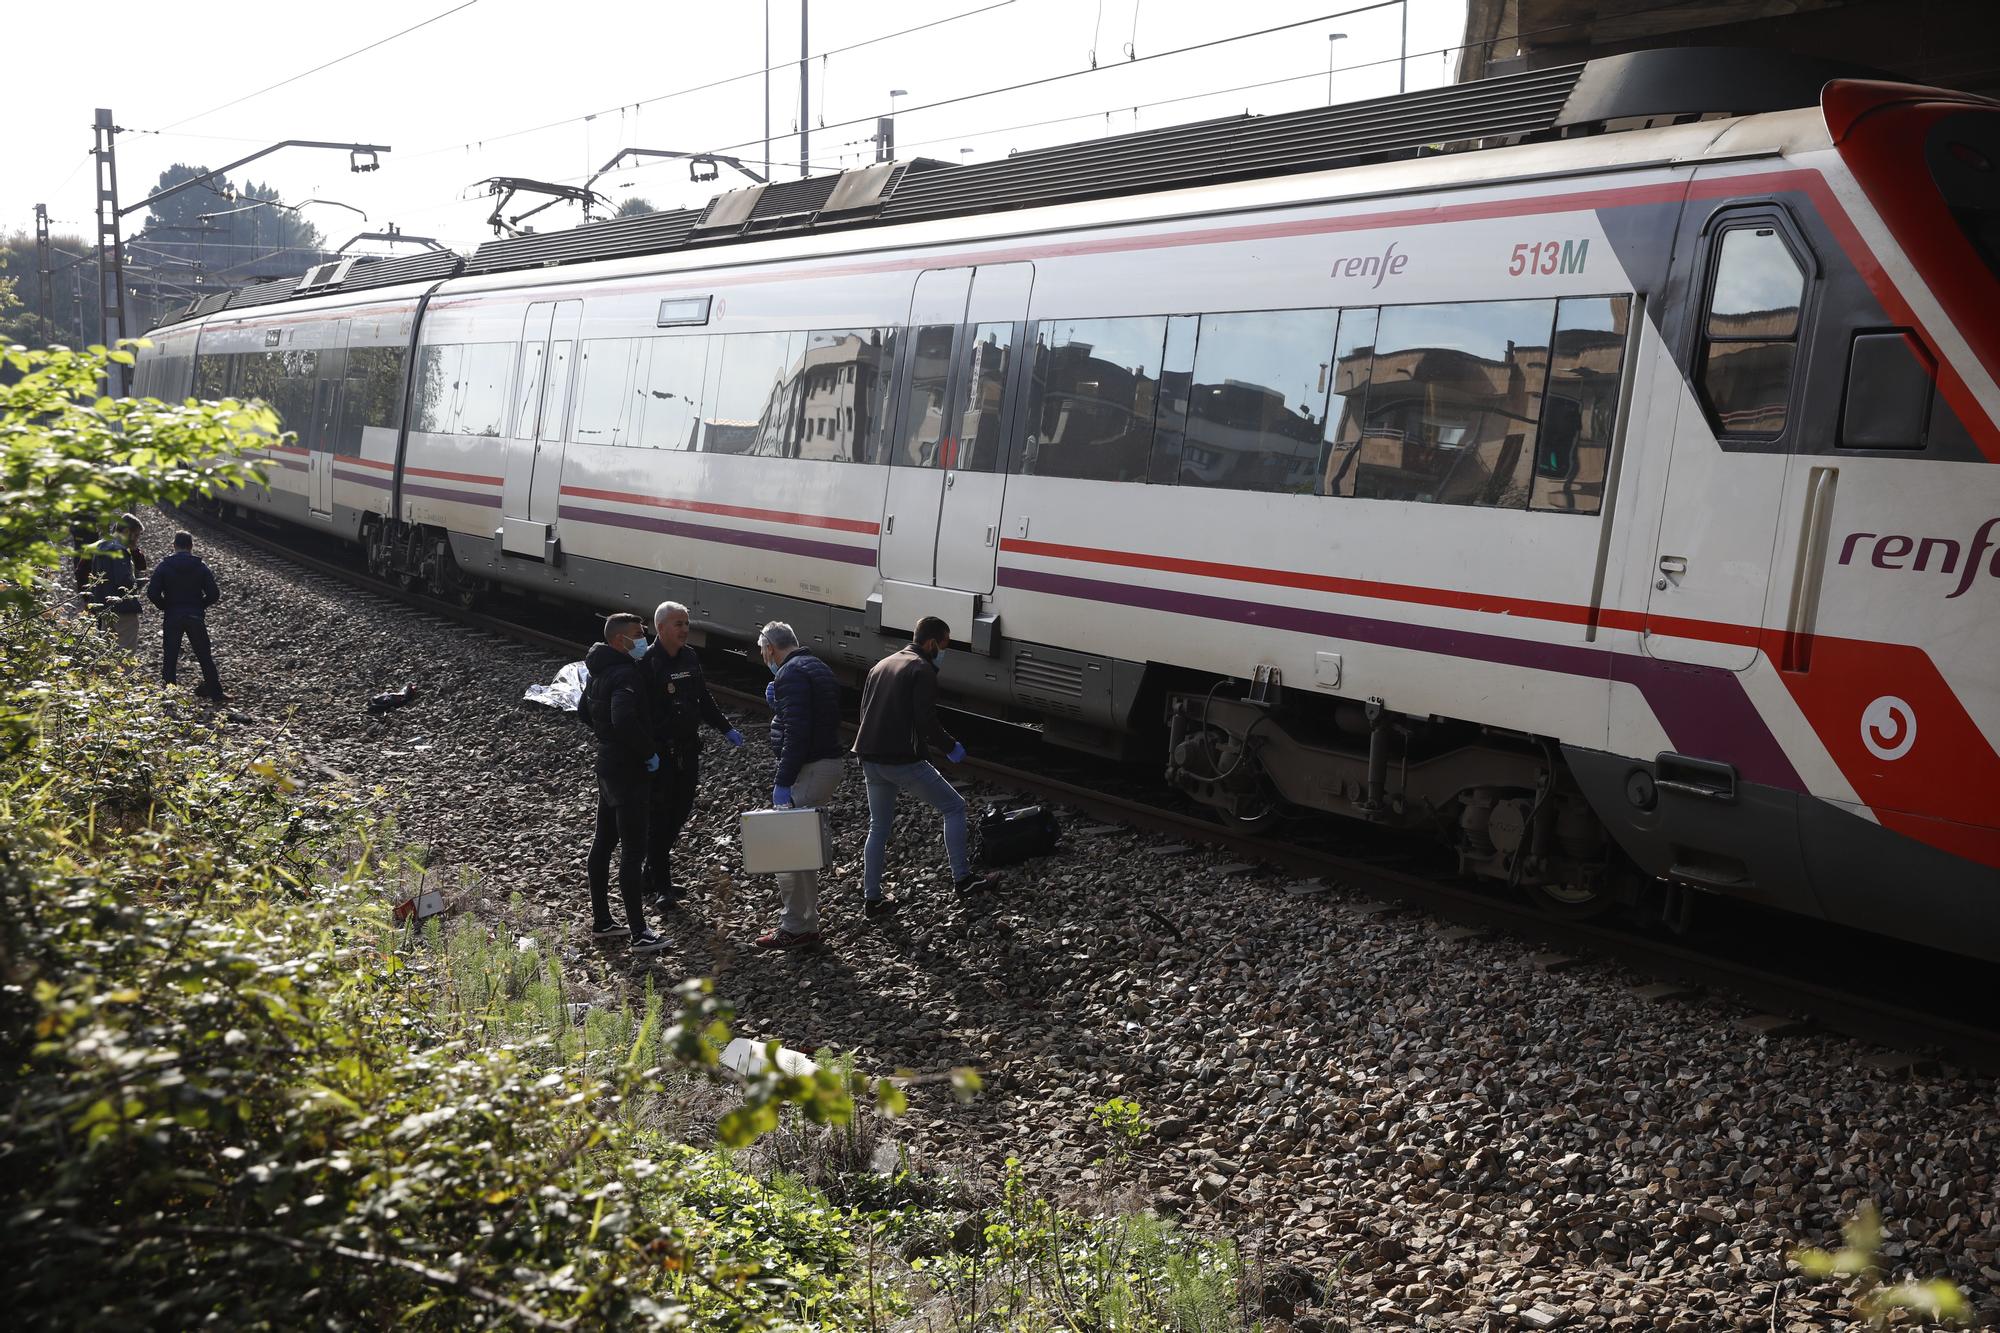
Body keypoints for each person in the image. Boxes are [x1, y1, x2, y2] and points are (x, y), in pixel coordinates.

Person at [853, 616, 1001, 914]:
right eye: (944, 646)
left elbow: (864, 713)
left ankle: (872, 899)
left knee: (878, 826)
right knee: (954, 807)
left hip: (869, 758)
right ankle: (964, 879)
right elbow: (926, 722)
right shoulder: (921, 669)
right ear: (931, 643)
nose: (944, 653)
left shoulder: (881, 665)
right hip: (900, 759)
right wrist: (950, 748)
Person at [639, 600, 743, 911]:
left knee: (680, 813)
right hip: (661, 754)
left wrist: (725, 728)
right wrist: (646, 752)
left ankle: (651, 873)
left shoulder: (689, 657)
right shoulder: (647, 662)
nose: (685, 629)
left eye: (686, 623)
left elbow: (703, 698)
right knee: (660, 819)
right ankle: (661, 885)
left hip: (687, 750)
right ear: (661, 629)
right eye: (678, 624)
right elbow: (639, 713)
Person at [577, 612, 669, 954]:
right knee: (632, 851)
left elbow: (584, 711)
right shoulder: (625, 673)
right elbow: (624, 718)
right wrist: (647, 752)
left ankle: (602, 921)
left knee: (603, 841)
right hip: (629, 770)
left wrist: (607, 738)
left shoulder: (598, 670)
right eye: (637, 633)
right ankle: (640, 932)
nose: (643, 638)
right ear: (620, 640)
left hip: (607, 764)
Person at [755, 620, 844, 950]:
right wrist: (779, 703)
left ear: (770, 648)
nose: (764, 657)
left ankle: (797, 926)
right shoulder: (816, 665)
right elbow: (812, 716)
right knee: (801, 849)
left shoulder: (790, 673)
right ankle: (803, 924)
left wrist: (783, 780)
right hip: (825, 764)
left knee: (787, 848)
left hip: (811, 767)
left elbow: (797, 733)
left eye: (763, 651)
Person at [144, 530, 224, 701]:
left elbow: (152, 592)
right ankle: (216, 693)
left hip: (173, 616)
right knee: (204, 655)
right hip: (195, 616)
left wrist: (165, 605)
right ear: (191, 546)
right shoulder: (200, 567)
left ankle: (168, 694)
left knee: (170, 656)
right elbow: (214, 594)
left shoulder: (164, 566)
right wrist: (200, 605)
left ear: (174, 546)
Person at [84, 513, 149, 650]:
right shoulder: (119, 550)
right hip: (123, 609)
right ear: (126, 531)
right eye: (136, 535)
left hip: (104, 607)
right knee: (125, 651)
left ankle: (103, 672)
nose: (136, 540)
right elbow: (124, 582)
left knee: (106, 651)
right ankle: (126, 673)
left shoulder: (101, 546)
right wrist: (139, 583)